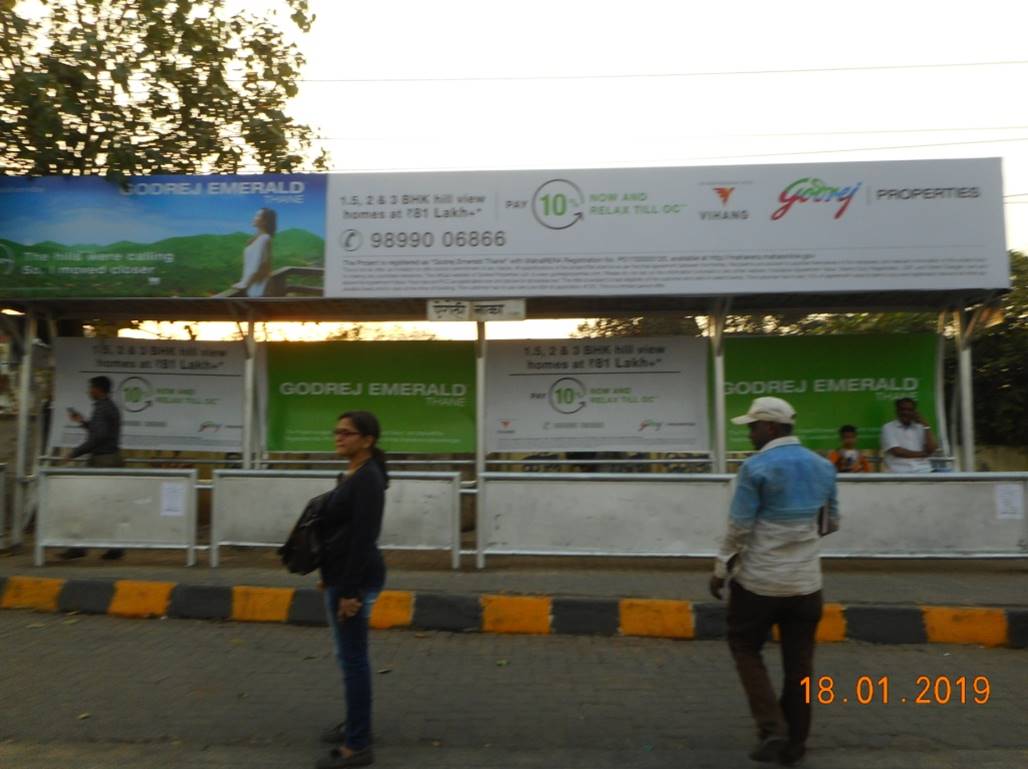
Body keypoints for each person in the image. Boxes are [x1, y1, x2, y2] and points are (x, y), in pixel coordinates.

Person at [709, 396, 839, 766]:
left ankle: (771, 728)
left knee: (744, 645)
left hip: (760, 582)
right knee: (800, 665)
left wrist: (720, 569)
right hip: (807, 584)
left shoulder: (755, 468)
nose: (749, 434)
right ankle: (796, 743)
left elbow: (738, 529)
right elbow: (831, 522)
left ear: (770, 428)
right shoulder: (822, 467)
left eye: (752, 427)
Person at [316, 410, 388, 769]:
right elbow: (340, 533)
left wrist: (349, 592)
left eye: (347, 433)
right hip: (342, 575)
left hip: (355, 579)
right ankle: (355, 723)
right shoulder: (354, 473)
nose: (339, 437)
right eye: (337, 431)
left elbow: (363, 538)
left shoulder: (368, 479)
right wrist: (329, 574)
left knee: (354, 660)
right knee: (348, 658)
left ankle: (357, 745)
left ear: (367, 440)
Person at [60, 375, 125, 561]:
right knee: (106, 504)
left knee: (87, 502)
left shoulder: (103, 409)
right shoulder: (107, 407)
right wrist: (83, 422)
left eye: (91, 388)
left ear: (98, 389)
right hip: (108, 459)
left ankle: (80, 547)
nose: (89, 391)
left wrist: (74, 453)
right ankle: (114, 547)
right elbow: (99, 432)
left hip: (103, 461)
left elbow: (98, 438)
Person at [879, 397, 937, 473]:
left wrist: (926, 425)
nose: (906, 412)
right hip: (899, 472)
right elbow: (897, 452)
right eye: (902, 409)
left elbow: (931, 449)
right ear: (897, 411)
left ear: (914, 412)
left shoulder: (921, 427)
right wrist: (924, 454)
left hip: (924, 470)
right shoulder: (888, 428)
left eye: (910, 410)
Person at [233, 207, 276, 297]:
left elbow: (260, 265)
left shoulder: (264, 239)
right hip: (254, 287)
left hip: (258, 288)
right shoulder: (259, 238)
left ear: (264, 221)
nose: (254, 218)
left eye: (257, 216)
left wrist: (244, 283)